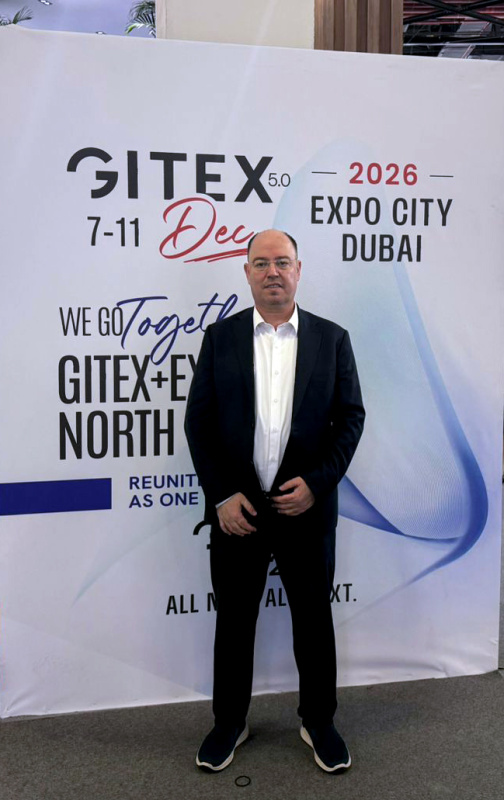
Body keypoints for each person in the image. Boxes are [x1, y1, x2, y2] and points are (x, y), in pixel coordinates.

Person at [184, 229, 365, 773]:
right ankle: (229, 722)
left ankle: (319, 721)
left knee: (314, 621)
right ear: (246, 272)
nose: (272, 272)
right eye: (261, 263)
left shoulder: (332, 339)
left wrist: (317, 483)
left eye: (282, 262)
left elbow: (350, 420)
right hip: (238, 512)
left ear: (298, 270)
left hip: (306, 509)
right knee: (234, 621)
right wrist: (221, 495)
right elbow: (199, 423)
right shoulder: (220, 338)